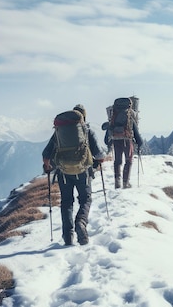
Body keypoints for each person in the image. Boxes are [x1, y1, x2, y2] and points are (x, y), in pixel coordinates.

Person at [42, 104, 106, 246]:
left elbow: (46, 154)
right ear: (83, 117)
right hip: (83, 172)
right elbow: (100, 155)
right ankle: (81, 222)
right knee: (85, 199)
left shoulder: (59, 132)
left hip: (63, 172)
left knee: (66, 202)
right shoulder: (87, 131)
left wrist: (47, 166)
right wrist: (96, 162)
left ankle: (68, 236)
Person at [106, 110, 143, 189]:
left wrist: (108, 142)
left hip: (116, 140)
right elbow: (136, 133)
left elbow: (108, 131)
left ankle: (117, 182)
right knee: (128, 160)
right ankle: (125, 182)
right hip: (127, 140)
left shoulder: (114, 118)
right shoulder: (130, 119)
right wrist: (139, 143)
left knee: (117, 161)